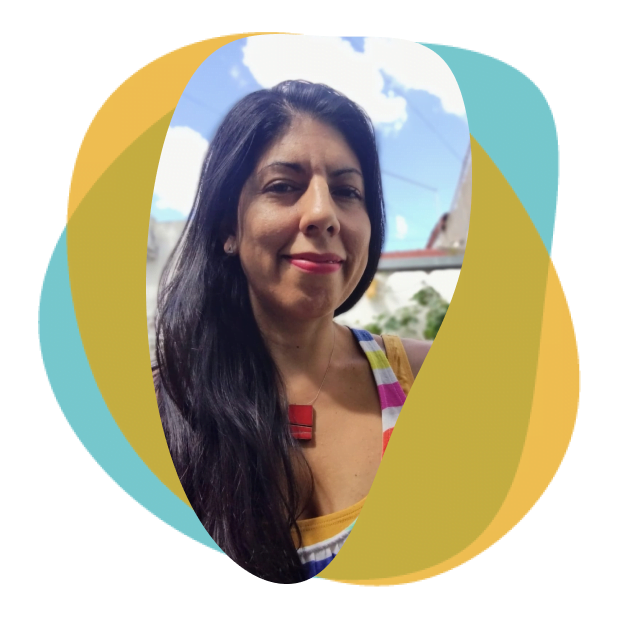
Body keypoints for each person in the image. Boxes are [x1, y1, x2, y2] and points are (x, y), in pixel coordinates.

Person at [153, 80, 431, 587]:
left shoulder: (428, 377)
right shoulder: (157, 413)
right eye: (283, 186)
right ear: (228, 228)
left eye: (347, 191)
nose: (323, 213)